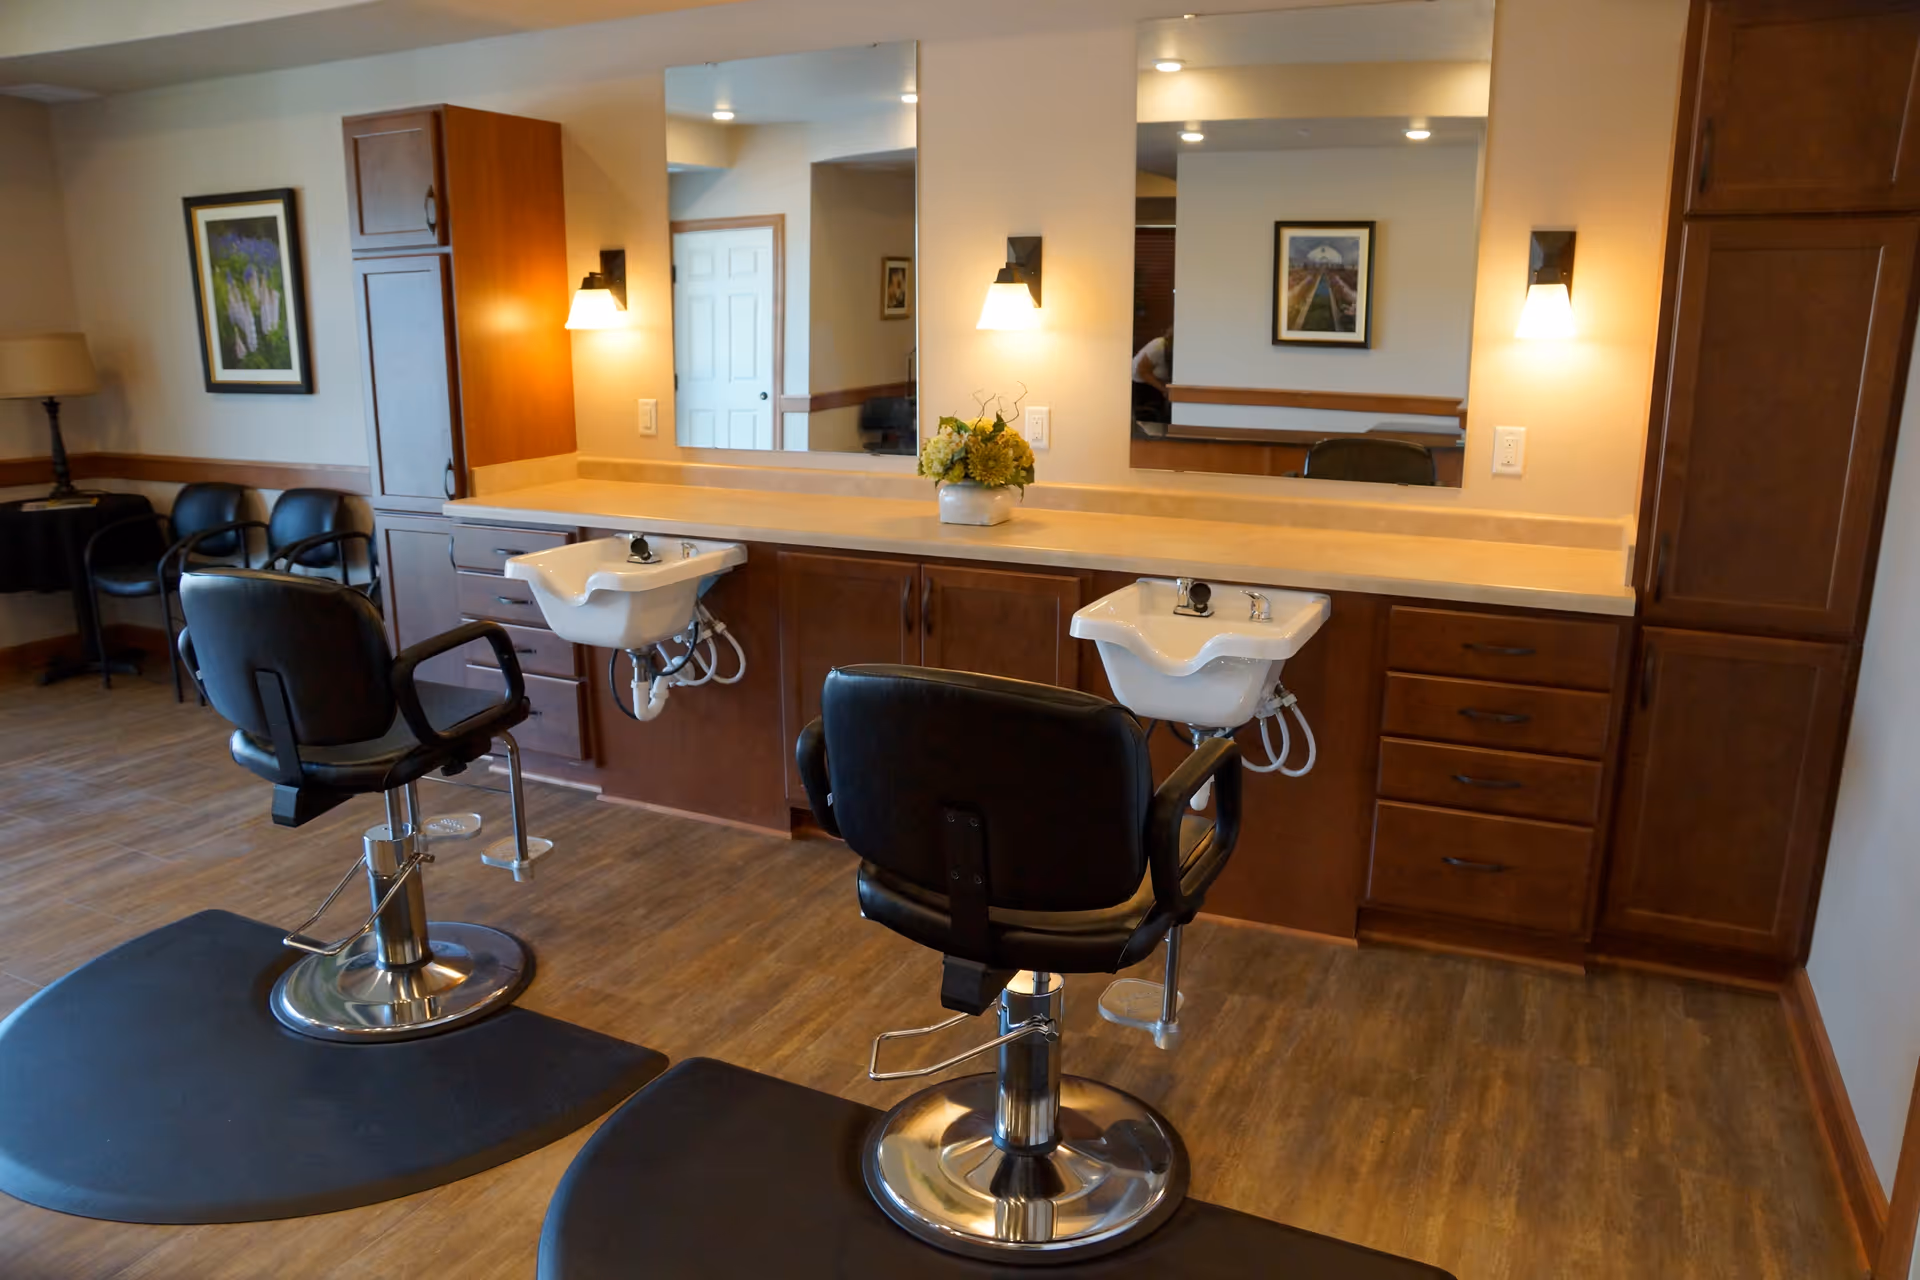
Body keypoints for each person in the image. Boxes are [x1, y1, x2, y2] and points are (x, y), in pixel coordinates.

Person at [1131, 328, 1173, 426]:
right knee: (1150, 416)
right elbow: (1143, 371)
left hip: (1158, 380)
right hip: (1141, 382)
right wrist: (1164, 389)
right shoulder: (1158, 346)